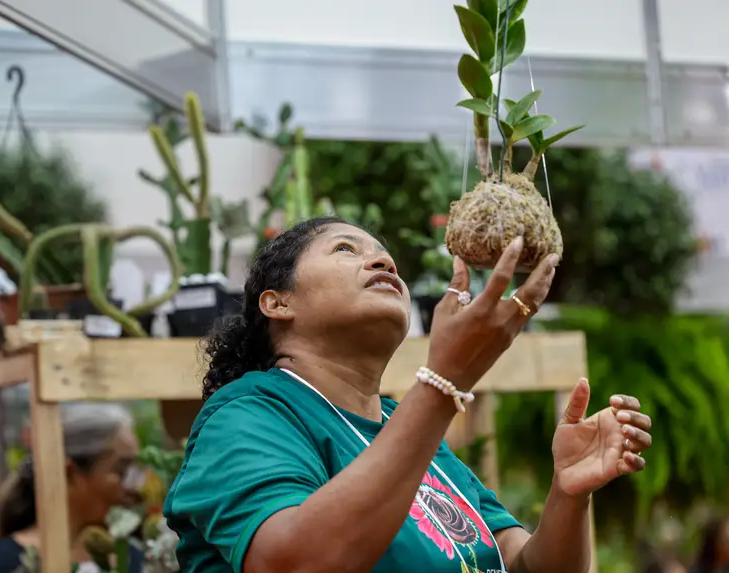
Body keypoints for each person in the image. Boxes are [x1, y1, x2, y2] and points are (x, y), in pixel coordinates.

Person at [164, 216, 654, 573]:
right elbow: (296, 562)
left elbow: (524, 567)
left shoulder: (410, 429)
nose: (383, 260)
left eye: (383, 254)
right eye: (344, 249)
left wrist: (568, 493)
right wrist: (444, 382)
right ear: (278, 302)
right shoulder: (248, 416)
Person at [0, 403, 146, 573]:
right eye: (122, 470)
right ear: (69, 473)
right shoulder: (7, 563)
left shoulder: (134, 557)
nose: (134, 485)